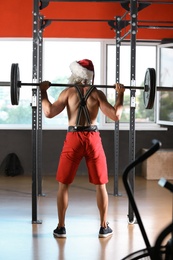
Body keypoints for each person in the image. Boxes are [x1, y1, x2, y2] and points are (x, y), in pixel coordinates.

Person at [40, 59, 125, 239]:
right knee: (101, 185)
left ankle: (61, 228)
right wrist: (121, 94)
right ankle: (104, 227)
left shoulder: (68, 93)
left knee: (63, 184)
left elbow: (48, 112)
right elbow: (116, 115)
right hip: (93, 138)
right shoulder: (98, 94)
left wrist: (43, 92)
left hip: (73, 138)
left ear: (76, 74)